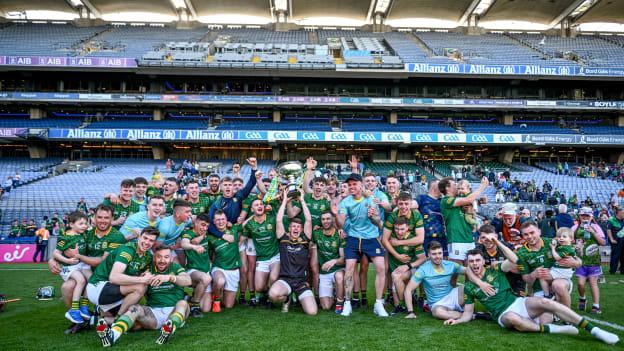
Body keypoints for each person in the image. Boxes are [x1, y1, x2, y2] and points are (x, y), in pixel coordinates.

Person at [444, 248, 619, 345]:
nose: (474, 264)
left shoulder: (495, 269)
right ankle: (555, 329)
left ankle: (595, 330)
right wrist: (457, 320)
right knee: (513, 319)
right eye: (471, 261)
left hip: (519, 302)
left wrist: (496, 241)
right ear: (467, 264)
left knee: (544, 301)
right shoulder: (468, 287)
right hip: (503, 315)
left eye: (477, 260)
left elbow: (515, 261)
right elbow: (467, 313)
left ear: (483, 261)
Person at [96, 245, 192, 346]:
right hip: (154, 314)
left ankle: (170, 327)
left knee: (183, 303)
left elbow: (188, 280)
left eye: (166, 257)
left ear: (171, 258)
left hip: (175, 310)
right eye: (159, 257)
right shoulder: (148, 270)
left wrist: (169, 278)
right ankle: (113, 335)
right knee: (134, 308)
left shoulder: (175, 268)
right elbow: (134, 285)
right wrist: (142, 279)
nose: (162, 260)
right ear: (154, 257)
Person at [336, 173, 388, 317]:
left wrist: (373, 217)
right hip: (353, 237)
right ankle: (347, 303)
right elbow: (339, 223)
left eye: (354, 184)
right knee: (349, 269)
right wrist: (339, 218)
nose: (352, 187)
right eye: (349, 185)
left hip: (371, 237)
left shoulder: (370, 199)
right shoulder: (345, 202)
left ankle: (378, 304)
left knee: (381, 268)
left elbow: (378, 221)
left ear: (361, 185)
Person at [86, 227, 159, 320]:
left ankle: (101, 316)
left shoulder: (148, 256)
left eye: (151, 240)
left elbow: (145, 275)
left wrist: (146, 276)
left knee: (134, 318)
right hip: (97, 286)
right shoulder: (128, 249)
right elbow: (114, 277)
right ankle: (118, 319)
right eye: (145, 238)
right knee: (140, 287)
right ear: (139, 237)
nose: (147, 242)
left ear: (154, 243)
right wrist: (142, 279)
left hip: (113, 290)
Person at [268, 188, 317, 315]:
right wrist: (284, 201)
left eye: (298, 227)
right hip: (286, 280)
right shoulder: (283, 239)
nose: (296, 228)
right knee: (273, 295)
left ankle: (300, 298)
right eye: (293, 226)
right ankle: (287, 299)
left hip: (301, 281)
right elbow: (279, 220)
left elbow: (309, 220)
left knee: (312, 312)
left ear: (301, 230)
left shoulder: (305, 239)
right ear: (289, 228)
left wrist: (302, 200)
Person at [516, 221, 581, 307]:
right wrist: (534, 274)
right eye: (526, 234)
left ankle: (568, 316)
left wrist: (576, 262)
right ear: (522, 236)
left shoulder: (552, 242)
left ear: (539, 231)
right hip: (539, 288)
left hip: (560, 280)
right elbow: (526, 279)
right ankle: (553, 307)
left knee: (558, 285)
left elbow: (574, 254)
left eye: (532, 233)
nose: (530, 237)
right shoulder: (521, 253)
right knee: (545, 318)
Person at [439, 176, 489, 262]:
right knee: (456, 270)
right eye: (454, 184)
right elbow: (468, 200)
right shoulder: (446, 200)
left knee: (470, 268)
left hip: (468, 237)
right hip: (456, 239)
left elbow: (470, 201)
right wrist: (482, 187)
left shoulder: (459, 198)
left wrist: (480, 201)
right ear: (447, 188)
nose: (457, 186)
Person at [53, 211, 92, 324]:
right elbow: (56, 253)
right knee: (81, 280)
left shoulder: (82, 234)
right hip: (69, 267)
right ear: (71, 224)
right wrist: (67, 260)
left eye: (86, 223)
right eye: (81, 223)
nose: (84, 226)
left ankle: (84, 306)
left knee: (92, 279)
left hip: (81, 264)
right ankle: (74, 310)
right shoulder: (66, 237)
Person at [385, 216, 426, 314]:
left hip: (412, 269)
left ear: (407, 227)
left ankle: (404, 303)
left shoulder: (413, 239)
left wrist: (408, 266)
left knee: (396, 276)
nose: (399, 232)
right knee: (396, 279)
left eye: (402, 229)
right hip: (397, 270)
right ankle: (402, 304)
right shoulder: (390, 237)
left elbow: (423, 258)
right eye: (397, 229)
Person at [243, 198, 279, 307]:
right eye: (256, 205)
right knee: (259, 287)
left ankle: (270, 300)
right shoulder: (250, 224)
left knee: (273, 277)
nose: (259, 206)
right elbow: (242, 231)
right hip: (262, 258)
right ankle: (267, 293)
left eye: (261, 204)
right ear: (252, 209)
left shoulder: (272, 219)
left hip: (275, 256)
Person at [572, 208, 607, 314]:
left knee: (593, 284)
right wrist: (575, 246)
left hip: (594, 261)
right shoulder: (575, 227)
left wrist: (593, 232)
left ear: (591, 217)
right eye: (583, 215)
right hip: (579, 261)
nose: (585, 217)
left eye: (587, 215)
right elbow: (569, 242)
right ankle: (582, 298)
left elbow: (603, 242)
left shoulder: (596, 227)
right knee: (580, 284)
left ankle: (596, 306)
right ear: (579, 216)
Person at [207, 210, 243, 310]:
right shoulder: (210, 237)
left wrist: (241, 219)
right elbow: (207, 252)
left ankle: (220, 294)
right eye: (218, 220)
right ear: (213, 222)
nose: (220, 222)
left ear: (227, 220)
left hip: (234, 270)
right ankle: (216, 300)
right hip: (219, 268)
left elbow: (246, 224)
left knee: (228, 306)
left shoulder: (234, 229)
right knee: (220, 281)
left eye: (223, 219)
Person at [475, 224, 525, 296]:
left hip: (511, 280)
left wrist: (500, 264)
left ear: (496, 237)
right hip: (491, 282)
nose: (488, 240)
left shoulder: (507, 247)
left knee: (515, 264)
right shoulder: (477, 250)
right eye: (483, 237)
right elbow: (471, 270)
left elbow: (518, 263)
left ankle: (516, 290)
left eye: (490, 237)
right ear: (479, 239)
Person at [180, 213, 213, 317]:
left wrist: (202, 235)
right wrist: (194, 247)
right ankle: (194, 306)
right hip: (193, 271)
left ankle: (189, 299)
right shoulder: (188, 234)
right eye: (202, 225)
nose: (204, 228)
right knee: (206, 278)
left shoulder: (205, 235)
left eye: (207, 226)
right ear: (195, 222)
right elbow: (184, 244)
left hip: (205, 271)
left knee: (206, 308)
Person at [313, 211, 345, 313]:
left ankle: (340, 303)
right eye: (323, 219)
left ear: (332, 220)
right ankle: (335, 293)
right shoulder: (316, 234)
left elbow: (343, 258)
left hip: (338, 269)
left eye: (328, 219)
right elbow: (310, 246)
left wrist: (333, 261)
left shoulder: (339, 235)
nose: (325, 221)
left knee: (339, 276)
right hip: (324, 272)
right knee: (326, 306)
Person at [540, 228, 576, 299]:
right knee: (546, 273)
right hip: (560, 270)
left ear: (571, 239)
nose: (561, 238)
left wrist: (553, 248)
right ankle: (553, 293)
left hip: (562, 272)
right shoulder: (564, 246)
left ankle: (547, 296)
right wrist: (555, 240)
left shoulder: (567, 249)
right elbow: (555, 240)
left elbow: (557, 257)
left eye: (564, 237)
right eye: (559, 237)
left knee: (542, 277)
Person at [416, 180, 447, 257]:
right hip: (426, 237)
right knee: (426, 260)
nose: (443, 189)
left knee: (442, 260)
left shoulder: (443, 201)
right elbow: (411, 205)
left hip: (442, 237)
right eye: (441, 186)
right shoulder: (422, 198)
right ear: (435, 187)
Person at [607, 206, 624, 275]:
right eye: (623, 212)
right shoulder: (612, 220)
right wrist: (611, 239)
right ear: (618, 213)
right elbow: (608, 230)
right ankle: (612, 270)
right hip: (616, 241)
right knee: (615, 256)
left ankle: (623, 270)